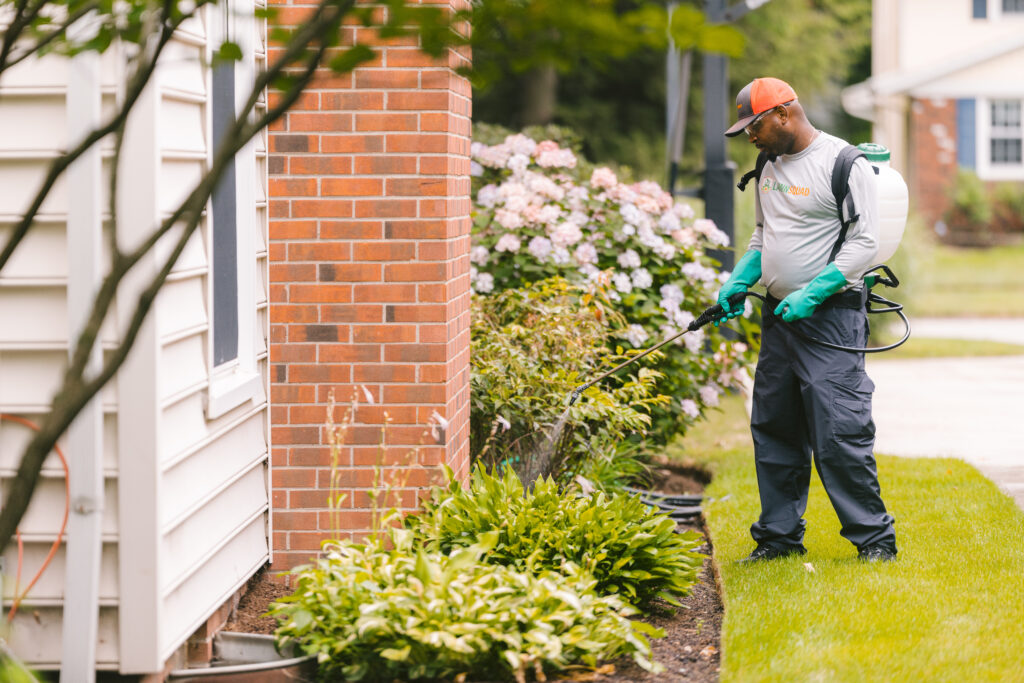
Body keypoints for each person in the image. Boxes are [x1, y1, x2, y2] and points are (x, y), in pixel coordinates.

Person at [716, 77, 898, 562]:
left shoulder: (843, 163)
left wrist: (814, 292)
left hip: (831, 319)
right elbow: (762, 235)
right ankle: (777, 540)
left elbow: (866, 243)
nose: (749, 137)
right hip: (780, 318)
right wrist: (739, 280)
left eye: (753, 126)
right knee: (774, 427)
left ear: (783, 114)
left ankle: (875, 541)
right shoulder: (767, 163)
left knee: (839, 430)